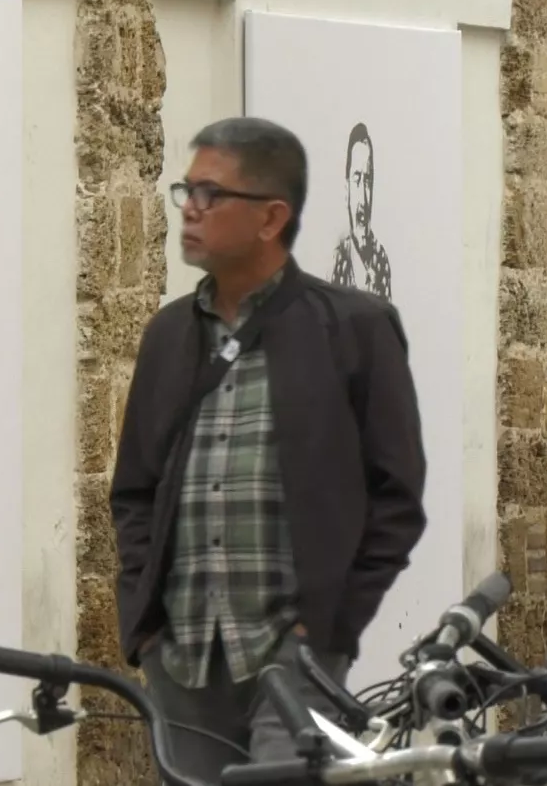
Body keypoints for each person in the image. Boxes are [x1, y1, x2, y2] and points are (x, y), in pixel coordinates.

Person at [110, 117, 427, 779]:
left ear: (269, 217)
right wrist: (144, 626)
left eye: (209, 193)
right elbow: (134, 490)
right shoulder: (168, 335)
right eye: (186, 191)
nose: (189, 210)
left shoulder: (353, 328)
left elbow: (395, 496)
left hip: (295, 657)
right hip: (183, 654)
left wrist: (331, 626)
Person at [330, 122, 393, 299]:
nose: (363, 199)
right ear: (346, 188)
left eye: (367, 181)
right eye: (357, 179)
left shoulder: (380, 260)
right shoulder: (337, 259)